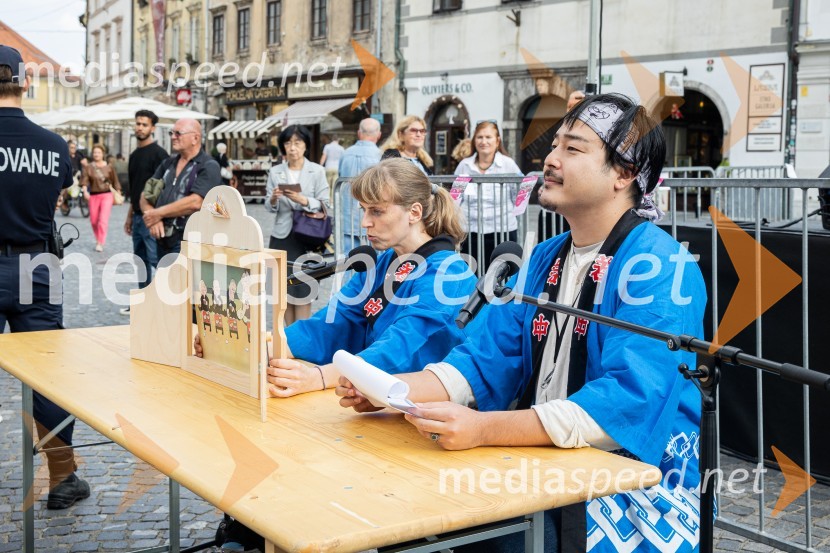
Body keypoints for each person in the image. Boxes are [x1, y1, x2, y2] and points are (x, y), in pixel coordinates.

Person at [338, 94, 706, 553]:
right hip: (542, 463)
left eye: (572, 149)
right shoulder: (546, 256)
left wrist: (484, 429)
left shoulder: (661, 264)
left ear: (625, 173)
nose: (549, 159)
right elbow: (484, 357)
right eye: (555, 145)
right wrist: (393, 390)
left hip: (627, 491)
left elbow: (626, 403)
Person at [196, 158, 477, 551]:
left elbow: (401, 348)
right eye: (364, 211)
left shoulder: (450, 272)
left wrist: (319, 377)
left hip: (412, 423)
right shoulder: (381, 263)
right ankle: (249, 534)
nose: (365, 223)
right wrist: (257, 343)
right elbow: (333, 322)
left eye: (376, 211)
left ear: (415, 213)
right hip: (364, 406)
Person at [0, 44, 90, 509]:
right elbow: (60, 193)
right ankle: (61, 478)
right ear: (25, 84)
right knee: (48, 376)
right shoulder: (54, 146)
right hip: (38, 267)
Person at [264, 125, 330, 324]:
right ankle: (285, 338)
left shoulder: (317, 171)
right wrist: (274, 199)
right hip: (282, 236)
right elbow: (268, 205)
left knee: (304, 287)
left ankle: (299, 339)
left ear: (305, 146)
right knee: (282, 288)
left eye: (297, 143)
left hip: (308, 236)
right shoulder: (275, 172)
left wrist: (303, 200)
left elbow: (325, 203)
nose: (292, 148)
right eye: (288, 143)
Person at [141, 118, 222, 261]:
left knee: (185, 282)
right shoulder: (168, 163)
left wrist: (157, 214)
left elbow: (195, 202)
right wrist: (153, 219)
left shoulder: (208, 165)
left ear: (195, 138)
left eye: (178, 133)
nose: (173, 137)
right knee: (164, 282)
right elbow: (145, 195)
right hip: (162, 238)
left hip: (189, 241)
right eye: (172, 133)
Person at [454, 120, 523, 272]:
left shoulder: (508, 164)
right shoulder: (464, 165)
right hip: (470, 231)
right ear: (474, 140)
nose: (483, 141)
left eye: (488, 137)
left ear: (497, 140)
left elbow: (517, 194)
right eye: (479, 137)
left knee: (501, 276)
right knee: (472, 274)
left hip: (502, 230)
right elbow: (456, 198)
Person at [122, 110, 168, 315]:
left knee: (155, 260)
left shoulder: (160, 155)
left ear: (153, 128)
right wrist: (130, 215)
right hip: (138, 216)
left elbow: (165, 189)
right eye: (138, 124)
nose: (140, 127)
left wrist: (157, 215)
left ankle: (162, 302)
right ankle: (143, 302)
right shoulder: (133, 156)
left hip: (153, 218)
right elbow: (134, 189)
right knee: (139, 261)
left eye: (144, 124)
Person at [337, 118, 382, 252]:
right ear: (378, 135)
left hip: (347, 218)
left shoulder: (345, 154)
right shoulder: (381, 155)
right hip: (372, 219)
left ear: (359, 133)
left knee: (348, 260)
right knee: (374, 261)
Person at [80, 143, 122, 252]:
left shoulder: (109, 167)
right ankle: (98, 238)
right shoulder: (89, 167)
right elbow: (84, 180)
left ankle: (100, 242)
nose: (96, 154)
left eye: (98, 152)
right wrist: (85, 192)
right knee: (94, 221)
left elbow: (115, 181)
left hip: (106, 195)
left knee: (102, 220)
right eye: (94, 152)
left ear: (103, 154)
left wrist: (118, 193)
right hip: (93, 196)